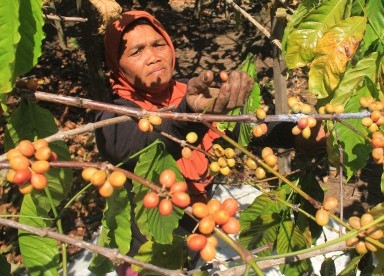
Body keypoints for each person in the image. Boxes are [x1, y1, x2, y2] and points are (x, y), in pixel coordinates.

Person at [95, 10, 325, 273]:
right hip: (146, 248)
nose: (153, 57)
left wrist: (297, 135)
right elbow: (136, 145)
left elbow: (246, 130)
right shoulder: (111, 116)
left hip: (198, 230)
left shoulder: (189, 91)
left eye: (158, 44)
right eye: (136, 52)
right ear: (117, 64)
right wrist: (189, 115)